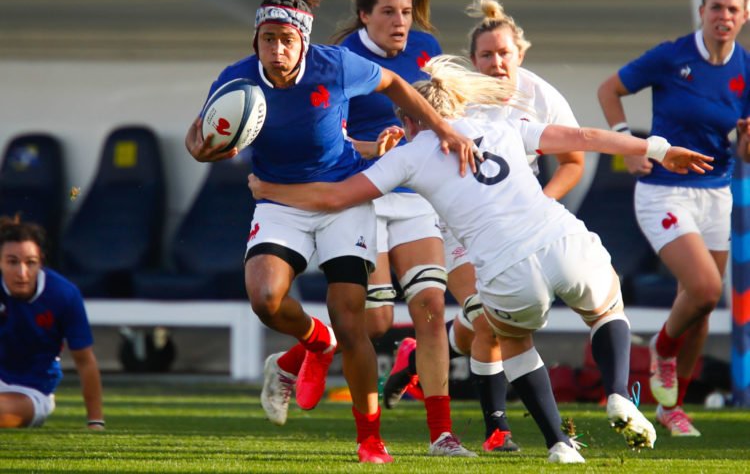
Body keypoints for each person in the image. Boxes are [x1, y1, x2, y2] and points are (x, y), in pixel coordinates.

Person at [249, 56, 714, 463]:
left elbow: (335, 198)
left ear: (411, 118)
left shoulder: (409, 156)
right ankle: (617, 393)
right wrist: (658, 148)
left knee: (511, 341)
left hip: (505, 268)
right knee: (607, 307)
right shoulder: (503, 125)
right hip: (558, 239)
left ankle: (559, 445)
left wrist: (270, 190)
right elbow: (587, 136)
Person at [184, 0, 476, 464]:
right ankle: (315, 342)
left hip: (344, 198)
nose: (276, 49)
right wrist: (206, 148)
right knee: (264, 299)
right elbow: (198, 138)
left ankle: (370, 441)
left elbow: (397, 85)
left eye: (287, 39)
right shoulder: (237, 81)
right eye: (268, 38)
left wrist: (443, 129)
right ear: (255, 40)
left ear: (305, 40)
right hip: (280, 202)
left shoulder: (336, 65)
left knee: (352, 318)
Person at [267, 0, 474, 458]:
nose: (400, 22)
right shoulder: (340, 58)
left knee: (429, 307)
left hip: (415, 195)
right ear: (365, 16)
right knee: (373, 323)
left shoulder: (425, 48)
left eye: (405, 12)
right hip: (365, 193)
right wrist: (371, 150)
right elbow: (328, 134)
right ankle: (297, 357)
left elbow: (441, 108)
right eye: (388, 13)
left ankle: (441, 436)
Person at [382, 0, 585, 454]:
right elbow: (421, 139)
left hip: (519, 227)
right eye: (486, 55)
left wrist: (537, 204)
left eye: (504, 53)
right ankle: (498, 430)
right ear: (472, 61)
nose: (496, 62)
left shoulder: (541, 96)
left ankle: (420, 356)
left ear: (521, 53)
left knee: (492, 321)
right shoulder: (460, 100)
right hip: (458, 227)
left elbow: (573, 161)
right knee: (495, 319)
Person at [598, 0, 750, 438]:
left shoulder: (745, 68)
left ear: (744, 16)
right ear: (702, 12)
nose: (723, 16)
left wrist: (745, 142)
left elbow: (743, 152)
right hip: (664, 189)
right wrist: (629, 146)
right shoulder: (672, 56)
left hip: (716, 194)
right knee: (705, 289)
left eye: (733, 9)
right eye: (716, 7)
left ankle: (672, 408)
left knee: (702, 310)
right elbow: (610, 90)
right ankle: (661, 351)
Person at [0, 215, 105, 430]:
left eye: (30, 263)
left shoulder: (63, 295)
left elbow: (85, 361)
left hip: (30, 391)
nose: (22, 273)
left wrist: (96, 421)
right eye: (12, 262)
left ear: (41, 262)